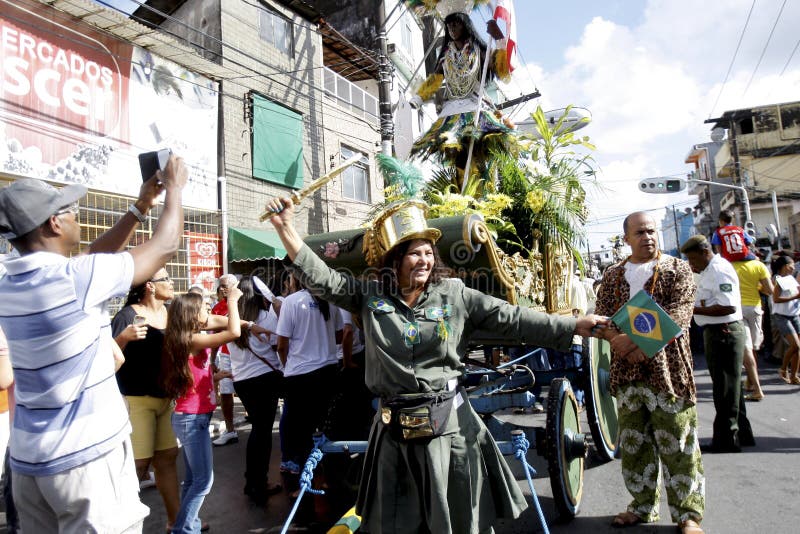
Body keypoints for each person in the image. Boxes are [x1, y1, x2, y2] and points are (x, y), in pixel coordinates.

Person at [265, 195, 606, 534]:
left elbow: (513, 318)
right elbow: (322, 278)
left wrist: (574, 325)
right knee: (396, 523)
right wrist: (286, 229)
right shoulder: (370, 298)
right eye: (415, 253)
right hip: (393, 435)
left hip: (450, 433)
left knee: (456, 522)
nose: (424, 260)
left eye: (429, 253)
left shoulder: (455, 295)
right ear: (395, 259)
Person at [0, 156, 187, 532]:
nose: (76, 217)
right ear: (54, 223)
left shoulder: (9, 279)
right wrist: (176, 188)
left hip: (27, 463)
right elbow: (166, 244)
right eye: (69, 212)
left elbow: (90, 259)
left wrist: (139, 208)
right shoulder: (75, 281)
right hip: (84, 463)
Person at [594, 212, 704, 534]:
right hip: (626, 372)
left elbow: (681, 313)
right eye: (640, 232)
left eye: (652, 231)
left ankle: (688, 515)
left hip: (668, 371)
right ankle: (641, 507)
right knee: (633, 442)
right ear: (626, 238)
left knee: (679, 442)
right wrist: (618, 340)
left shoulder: (677, 269)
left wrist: (638, 344)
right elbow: (603, 316)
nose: (648, 237)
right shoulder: (613, 275)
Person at [161, 290, 242, 534]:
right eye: (204, 308)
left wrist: (216, 376)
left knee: (192, 480)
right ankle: (183, 529)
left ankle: (189, 524)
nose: (208, 312)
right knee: (203, 481)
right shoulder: (191, 340)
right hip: (191, 418)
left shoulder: (188, 337)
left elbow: (196, 375)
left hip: (194, 416)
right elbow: (233, 331)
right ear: (191, 315)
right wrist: (232, 301)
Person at [410, 11, 513, 187]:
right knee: (457, 152)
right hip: (452, 110)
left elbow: (503, 72)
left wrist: (499, 39)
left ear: (465, 26)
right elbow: (435, 79)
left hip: (475, 106)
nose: (452, 29)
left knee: (479, 152)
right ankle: (462, 192)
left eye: (456, 24)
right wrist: (419, 98)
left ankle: (483, 191)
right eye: (449, 26)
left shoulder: (478, 50)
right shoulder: (445, 55)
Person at [112, 269, 181, 528]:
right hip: (137, 399)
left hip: (165, 398)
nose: (172, 283)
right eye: (167, 279)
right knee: (137, 466)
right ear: (150, 286)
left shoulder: (169, 312)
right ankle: (118, 526)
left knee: (167, 458)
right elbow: (106, 356)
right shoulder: (127, 316)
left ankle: (177, 522)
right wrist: (123, 338)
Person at [681, 234, 755, 454]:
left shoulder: (719, 269)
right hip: (718, 331)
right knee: (732, 387)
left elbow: (728, 307)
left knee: (724, 389)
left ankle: (726, 439)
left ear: (705, 252)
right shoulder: (709, 270)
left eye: (693, 260)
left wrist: (692, 310)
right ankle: (742, 433)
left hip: (724, 331)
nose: (692, 265)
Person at [275, 278, 343, 485]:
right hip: (329, 372)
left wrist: (288, 366)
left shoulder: (292, 301)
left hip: (301, 377)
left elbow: (281, 345)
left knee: (301, 433)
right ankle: (331, 479)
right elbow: (339, 336)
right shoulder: (331, 301)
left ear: (297, 279)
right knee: (327, 429)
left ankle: (307, 485)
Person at [225, 277, 284, 504]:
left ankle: (253, 480)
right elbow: (281, 341)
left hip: (242, 382)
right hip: (264, 379)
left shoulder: (233, 320)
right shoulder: (265, 317)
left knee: (258, 431)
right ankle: (258, 482)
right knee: (263, 433)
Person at [732, 257, 774, 400]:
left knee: (747, 349)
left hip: (738, 310)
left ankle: (756, 388)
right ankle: (751, 383)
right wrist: (756, 286)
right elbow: (770, 290)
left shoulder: (729, 265)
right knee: (754, 348)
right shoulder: (758, 265)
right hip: (755, 309)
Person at [211, 274, 240, 446]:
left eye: (226, 285)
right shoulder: (216, 308)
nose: (222, 289)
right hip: (226, 355)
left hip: (244, 355)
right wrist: (213, 358)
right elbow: (216, 336)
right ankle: (230, 431)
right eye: (220, 286)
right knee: (227, 393)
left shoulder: (244, 303)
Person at [770, 255, 800, 384]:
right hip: (782, 315)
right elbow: (776, 299)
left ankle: (794, 376)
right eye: (792, 264)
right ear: (785, 266)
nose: (794, 267)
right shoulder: (779, 279)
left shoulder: (792, 279)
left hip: (794, 314)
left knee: (798, 348)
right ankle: (783, 369)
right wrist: (795, 297)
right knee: (795, 345)